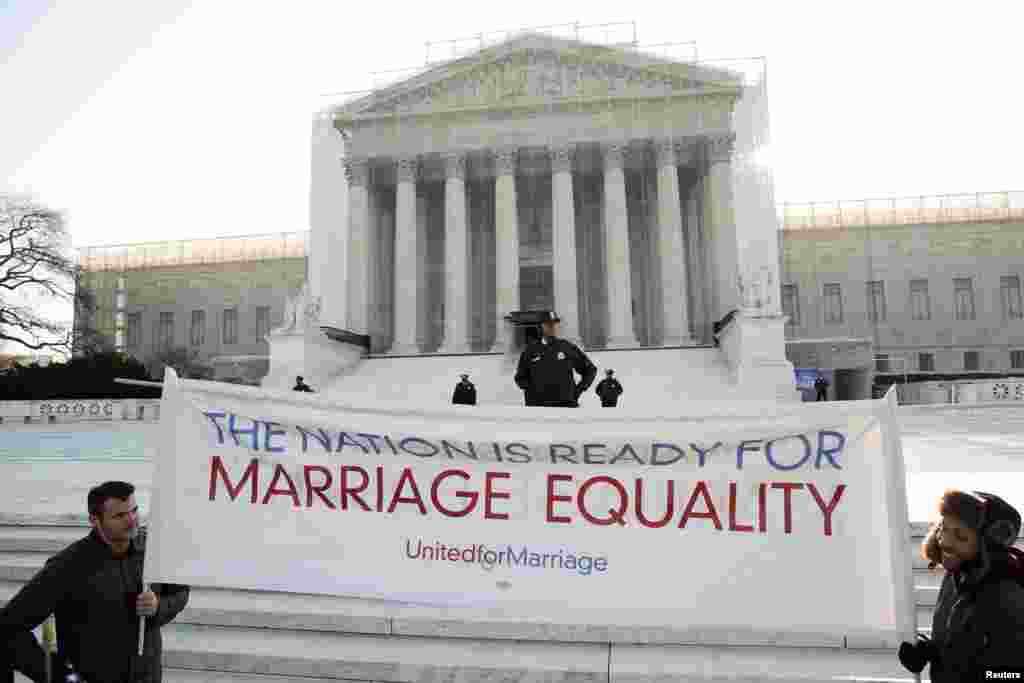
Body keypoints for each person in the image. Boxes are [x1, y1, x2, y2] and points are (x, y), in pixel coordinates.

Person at [0, 481, 190, 683]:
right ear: (95, 520)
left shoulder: (153, 549)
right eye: (119, 516)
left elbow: (181, 592)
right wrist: (60, 676)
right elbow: (8, 628)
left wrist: (158, 606)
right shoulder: (68, 566)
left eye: (134, 510)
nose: (132, 520)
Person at [898, 489, 1024, 681]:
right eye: (944, 529)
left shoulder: (1008, 595)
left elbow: (1014, 674)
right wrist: (928, 651)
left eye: (960, 536)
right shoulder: (955, 577)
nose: (945, 542)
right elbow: (962, 644)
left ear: (987, 546)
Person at [514, 311, 597, 408]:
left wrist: (577, 391)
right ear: (541, 326)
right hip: (539, 409)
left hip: (566, 407)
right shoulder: (530, 350)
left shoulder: (566, 347)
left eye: (554, 324)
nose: (552, 327)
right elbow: (520, 377)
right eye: (548, 324)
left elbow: (590, 370)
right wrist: (533, 392)